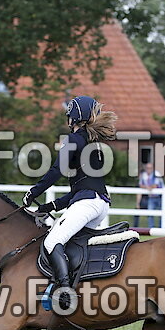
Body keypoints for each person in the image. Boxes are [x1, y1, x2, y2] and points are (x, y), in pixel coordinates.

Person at [23, 95, 117, 302]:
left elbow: (57, 170)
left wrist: (34, 192)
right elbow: (80, 189)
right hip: (98, 203)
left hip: (87, 204)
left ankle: (65, 293)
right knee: (70, 244)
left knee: (52, 241)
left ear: (73, 117)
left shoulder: (74, 140)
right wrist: (49, 206)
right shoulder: (93, 142)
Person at [139, 162, 164, 228]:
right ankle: (151, 227)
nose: (148, 169)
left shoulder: (156, 174)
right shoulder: (144, 175)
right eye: (147, 168)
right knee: (150, 213)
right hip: (151, 197)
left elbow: (156, 185)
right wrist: (147, 187)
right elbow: (141, 185)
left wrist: (148, 187)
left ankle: (161, 227)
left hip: (159, 197)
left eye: (150, 168)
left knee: (161, 214)